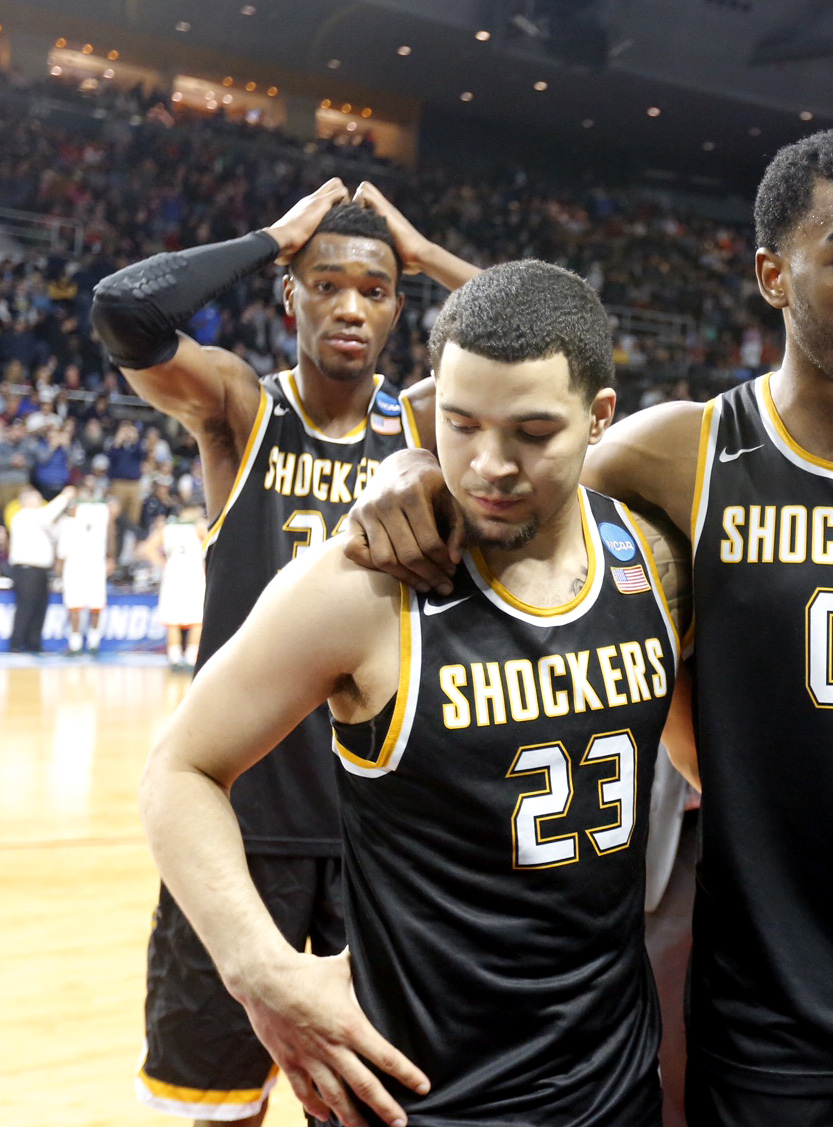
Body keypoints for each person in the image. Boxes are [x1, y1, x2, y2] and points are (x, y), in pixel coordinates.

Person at [346, 128, 833, 1127]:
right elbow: (511, 434)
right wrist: (409, 469)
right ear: (774, 274)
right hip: (767, 1010)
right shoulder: (676, 454)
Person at [139, 261, 689, 1127]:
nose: (490, 464)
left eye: (533, 431)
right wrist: (260, 968)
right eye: (462, 425)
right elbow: (178, 766)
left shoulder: (655, 561)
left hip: (612, 1088)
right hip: (416, 1099)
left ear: (600, 419)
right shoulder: (360, 584)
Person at [92, 178, 478, 1125]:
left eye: (377, 290)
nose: (351, 305)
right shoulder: (238, 409)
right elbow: (125, 311)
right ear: (289, 295)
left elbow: (550, 345)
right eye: (327, 283)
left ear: (399, 308)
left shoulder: (430, 420)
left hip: (382, 828)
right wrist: (277, 235)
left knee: (372, 1100)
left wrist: (423, 252)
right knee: (218, 1105)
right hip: (237, 821)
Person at [6, 485, 75, 652]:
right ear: (26, 501)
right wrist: (64, 497)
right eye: (37, 499)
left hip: (42, 570)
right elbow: (46, 515)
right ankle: (16, 644)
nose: (40, 502)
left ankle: (34, 643)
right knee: (26, 606)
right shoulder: (23, 516)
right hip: (26, 569)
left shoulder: (41, 521)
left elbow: (57, 532)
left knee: (40, 607)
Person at [144, 502, 209, 672]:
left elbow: (148, 549)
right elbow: (212, 545)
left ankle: (174, 659)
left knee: (173, 621)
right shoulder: (198, 527)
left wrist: (164, 563)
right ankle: (190, 658)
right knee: (196, 620)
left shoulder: (166, 528)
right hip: (194, 576)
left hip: (173, 576)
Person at [58, 484, 112, 655]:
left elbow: (110, 534)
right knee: (75, 605)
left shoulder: (102, 511)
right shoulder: (70, 520)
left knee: (95, 604)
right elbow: (63, 546)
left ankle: (93, 641)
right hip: (76, 562)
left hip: (95, 561)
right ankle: (76, 643)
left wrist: (111, 557)